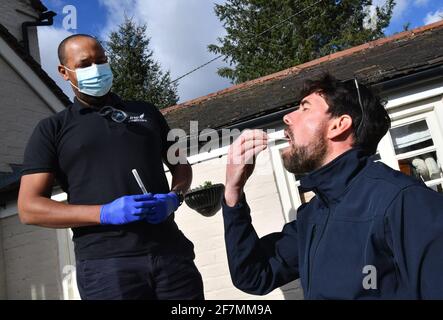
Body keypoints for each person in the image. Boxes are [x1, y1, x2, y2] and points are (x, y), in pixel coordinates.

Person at [222, 74, 443, 299]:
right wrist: (233, 192)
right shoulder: (314, 213)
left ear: (339, 125)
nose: (287, 117)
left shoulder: (405, 202)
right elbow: (255, 275)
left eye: (304, 108)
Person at [17, 34, 204, 300]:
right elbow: (28, 208)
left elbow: (181, 166)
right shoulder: (52, 130)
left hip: (171, 254)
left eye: (101, 61)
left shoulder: (146, 113)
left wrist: (175, 197)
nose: (96, 69)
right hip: (106, 266)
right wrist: (104, 213)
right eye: (84, 64)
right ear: (64, 72)